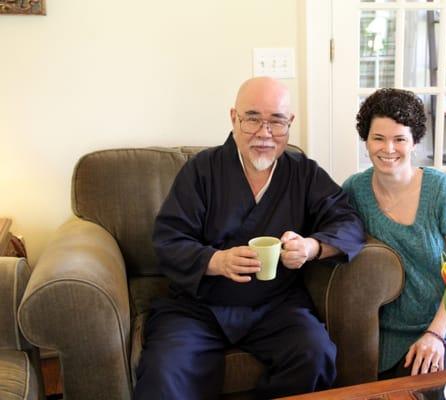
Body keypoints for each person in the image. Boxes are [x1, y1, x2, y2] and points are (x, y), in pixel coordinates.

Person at [133, 77, 365, 399]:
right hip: (199, 306)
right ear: (233, 118)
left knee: (314, 354)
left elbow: (348, 220)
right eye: (253, 118)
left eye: (276, 121)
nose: (264, 133)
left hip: (276, 304)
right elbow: (169, 239)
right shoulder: (201, 171)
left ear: (290, 124)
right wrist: (216, 260)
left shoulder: (304, 173)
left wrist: (312, 247)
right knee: (163, 374)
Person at [342, 88, 446, 378]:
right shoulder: (354, 189)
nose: (388, 149)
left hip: (443, 326)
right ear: (366, 140)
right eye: (378, 138)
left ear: (414, 142)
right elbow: (330, 235)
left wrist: (436, 334)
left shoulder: (442, 191)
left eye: (399, 139)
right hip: (380, 331)